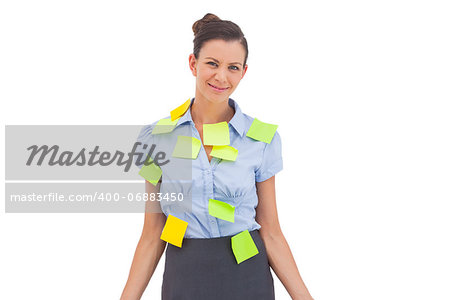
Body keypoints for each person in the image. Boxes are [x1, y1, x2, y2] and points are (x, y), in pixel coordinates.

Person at [120, 13, 314, 300]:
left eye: (233, 67)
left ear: (244, 72)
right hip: (184, 277)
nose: (221, 76)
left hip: (247, 277)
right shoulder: (155, 138)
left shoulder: (260, 140)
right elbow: (152, 234)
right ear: (193, 63)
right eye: (212, 63)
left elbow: (271, 232)